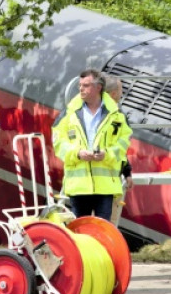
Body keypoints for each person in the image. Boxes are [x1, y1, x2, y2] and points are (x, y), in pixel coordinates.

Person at [52, 69, 132, 221]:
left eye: (86, 85)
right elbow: (58, 143)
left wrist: (106, 155)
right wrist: (77, 153)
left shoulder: (117, 115)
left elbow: (123, 144)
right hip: (78, 186)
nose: (81, 89)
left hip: (105, 186)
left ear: (98, 87)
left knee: (102, 230)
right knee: (81, 231)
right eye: (80, 85)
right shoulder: (69, 113)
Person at [103, 75, 133, 225]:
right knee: (108, 225)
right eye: (121, 90)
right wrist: (126, 172)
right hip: (109, 181)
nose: (122, 93)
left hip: (88, 184)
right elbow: (121, 148)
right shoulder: (118, 116)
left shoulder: (87, 110)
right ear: (114, 93)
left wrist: (127, 171)